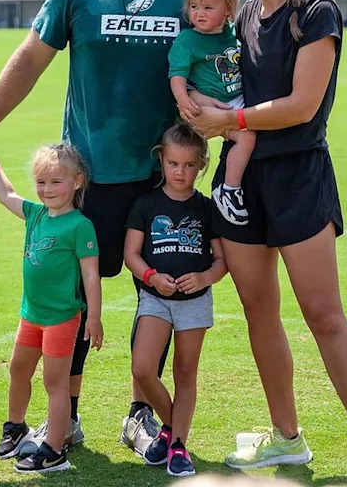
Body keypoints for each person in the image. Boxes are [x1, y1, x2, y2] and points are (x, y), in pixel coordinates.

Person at [0, 0, 212, 457]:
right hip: (86, 175)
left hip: (163, 179)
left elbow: (222, 59)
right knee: (71, 300)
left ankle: (142, 415)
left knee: (158, 296)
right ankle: (69, 414)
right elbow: (30, 58)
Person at [189, 0, 347, 487]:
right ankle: (287, 440)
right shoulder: (244, 11)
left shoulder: (316, 11)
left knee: (324, 315)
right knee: (259, 311)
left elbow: (303, 105)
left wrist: (225, 117)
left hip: (300, 175)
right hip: (241, 177)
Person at [0, 140, 103, 474]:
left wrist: (96, 318)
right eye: (42, 182)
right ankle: (16, 429)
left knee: (54, 384)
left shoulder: (79, 226)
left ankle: (55, 450)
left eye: (56, 181)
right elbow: (6, 195)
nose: (47, 189)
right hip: (31, 315)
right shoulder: (36, 214)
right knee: (18, 370)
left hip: (61, 319)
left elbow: (91, 274)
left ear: (76, 182)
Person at [123, 122, 228, 477]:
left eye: (188, 165)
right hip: (155, 299)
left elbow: (222, 261)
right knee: (143, 368)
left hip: (194, 302)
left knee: (185, 372)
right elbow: (131, 256)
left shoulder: (205, 208)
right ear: (162, 161)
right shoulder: (146, 204)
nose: (180, 173)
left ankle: (177, 445)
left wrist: (204, 277)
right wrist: (151, 277)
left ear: (200, 165)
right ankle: (172, 427)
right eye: (173, 164)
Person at [168, 0, 254, 226]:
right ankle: (229, 189)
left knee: (254, 132)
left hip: (234, 99)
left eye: (207, 7)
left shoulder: (232, 34)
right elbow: (177, 75)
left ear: (228, 10)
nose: (199, 14)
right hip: (208, 108)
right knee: (247, 137)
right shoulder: (188, 39)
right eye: (194, 7)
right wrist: (184, 100)